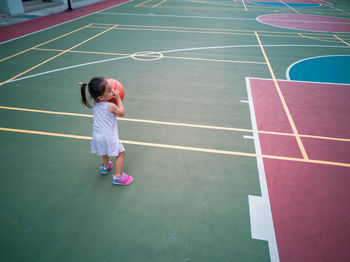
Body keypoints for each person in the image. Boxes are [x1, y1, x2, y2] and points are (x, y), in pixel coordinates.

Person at [80, 77, 133, 185]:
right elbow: (121, 113)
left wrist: (109, 94)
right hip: (109, 137)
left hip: (97, 136)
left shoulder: (96, 102)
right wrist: (118, 98)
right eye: (110, 90)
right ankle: (118, 177)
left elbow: (104, 97)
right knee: (121, 153)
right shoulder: (111, 106)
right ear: (100, 96)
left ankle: (105, 167)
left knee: (104, 151)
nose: (113, 91)